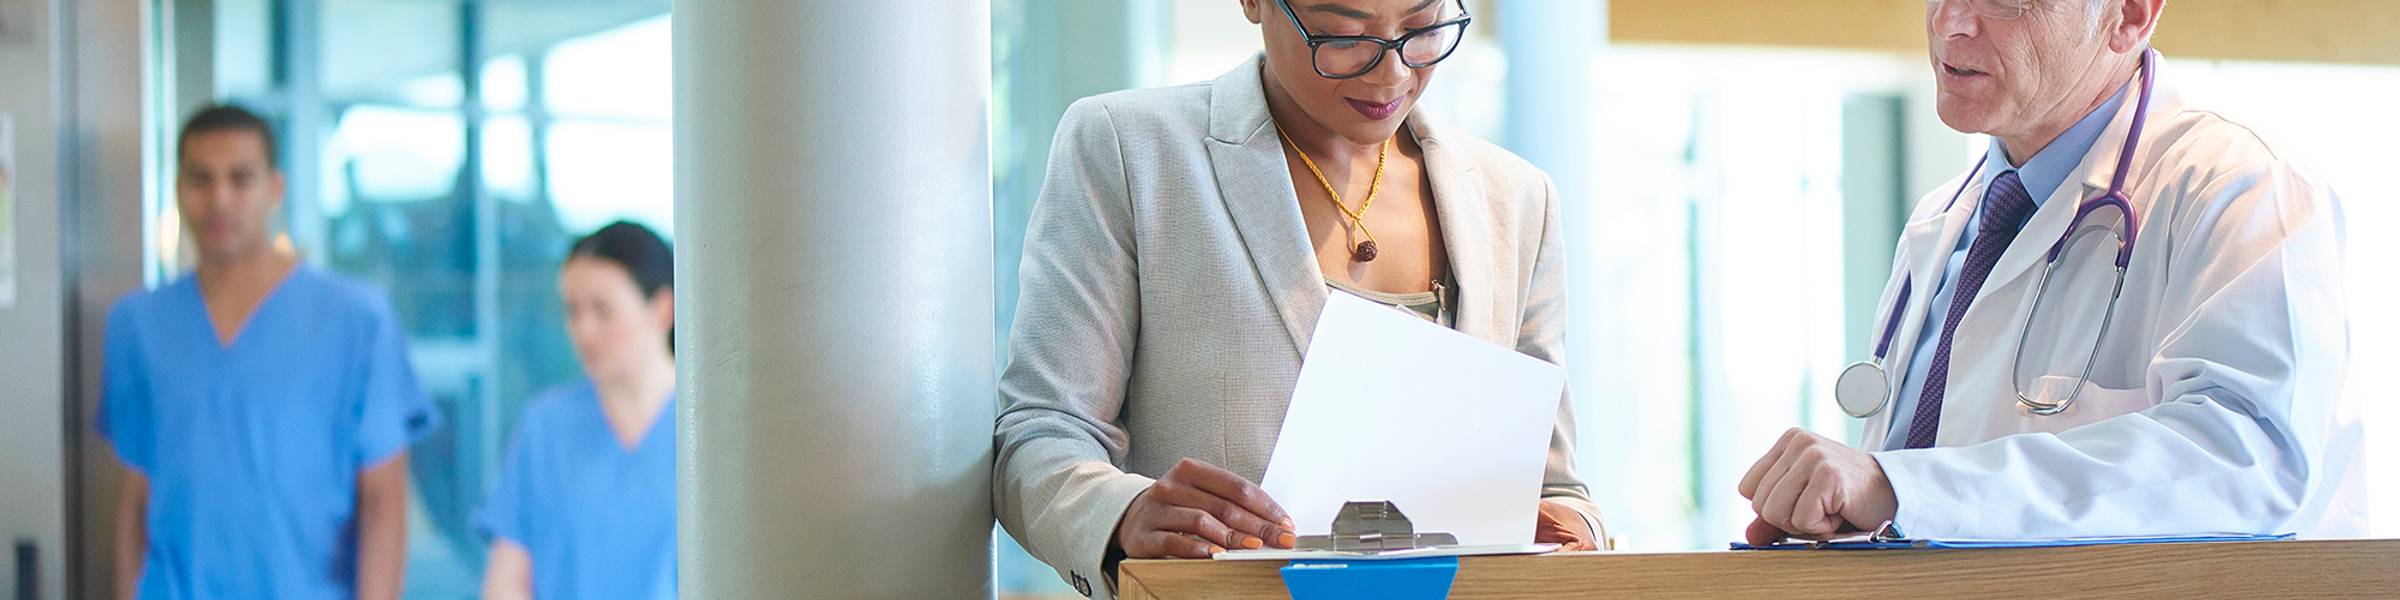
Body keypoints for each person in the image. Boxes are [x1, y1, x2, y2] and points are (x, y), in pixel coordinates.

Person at [993, 0, 1603, 596]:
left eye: (1423, 28)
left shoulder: (1518, 200)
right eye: (1342, 35)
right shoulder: (1129, 150)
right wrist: (1123, 512)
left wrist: (1574, 530)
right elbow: (1041, 434)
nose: (1391, 73)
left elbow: (1557, 486)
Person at [1738, 0, 2360, 545]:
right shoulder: (1942, 222)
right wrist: (1839, 509)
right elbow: (1920, 503)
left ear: (2130, 14)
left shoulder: (2241, 191)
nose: (1951, 20)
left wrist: (1901, 487)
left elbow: (2249, 461)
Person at [99, 105, 437, 599]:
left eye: (241, 179)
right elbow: (135, 499)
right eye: (200, 179)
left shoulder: (355, 319)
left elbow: (384, 502)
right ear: (177, 190)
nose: (220, 199)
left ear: (274, 189)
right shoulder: (137, 325)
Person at [477, 221, 678, 599]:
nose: (584, 330)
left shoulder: (711, 430)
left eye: (603, 311)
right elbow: (507, 580)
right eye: (573, 311)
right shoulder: (547, 427)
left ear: (662, 309)